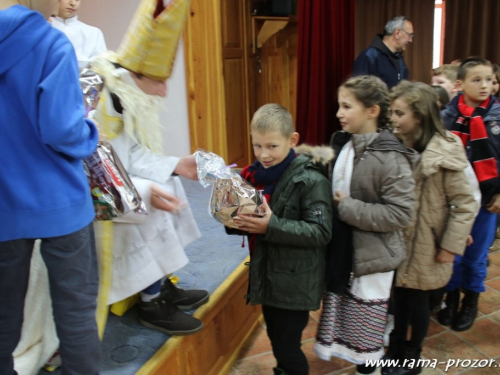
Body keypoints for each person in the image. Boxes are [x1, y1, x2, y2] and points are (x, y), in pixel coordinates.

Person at [91, 0, 209, 336]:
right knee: (151, 203)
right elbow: (98, 175)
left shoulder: (126, 92)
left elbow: (133, 154)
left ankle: (161, 283)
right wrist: (144, 190)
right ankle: (150, 301)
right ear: (135, 72)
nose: (164, 90)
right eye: (158, 80)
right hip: (94, 199)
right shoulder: (103, 101)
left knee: (170, 185)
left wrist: (177, 165)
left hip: (117, 180)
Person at [0, 0, 100, 374]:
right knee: (75, 314)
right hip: (61, 201)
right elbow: (62, 130)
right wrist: (89, 133)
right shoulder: (52, 44)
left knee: (3, 313)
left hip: (4, 202)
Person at [315, 76, 415, 375]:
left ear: (372, 111)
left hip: (372, 257)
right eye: (338, 106)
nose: (339, 113)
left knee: (366, 329)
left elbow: (400, 215)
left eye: (347, 106)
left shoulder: (391, 157)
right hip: (346, 252)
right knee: (344, 315)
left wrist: (346, 207)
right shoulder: (344, 144)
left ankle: (368, 363)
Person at [231, 104, 333, 375]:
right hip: (269, 273)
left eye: (272, 146)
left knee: (287, 346)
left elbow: (320, 231)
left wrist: (270, 226)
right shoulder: (254, 177)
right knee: (278, 340)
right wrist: (233, 220)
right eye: (257, 146)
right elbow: (255, 223)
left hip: (295, 281)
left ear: (293, 140)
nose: (263, 154)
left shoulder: (311, 180)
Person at [382, 81, 477, 375]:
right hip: (399, 241)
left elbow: (465, 203)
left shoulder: (445, 152)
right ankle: (395, 348)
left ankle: (412, 354)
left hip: (428, 243)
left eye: (399, 114)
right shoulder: (396, 145)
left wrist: (451, 245)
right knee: (399, 298)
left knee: (418, 302)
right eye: (392, 113)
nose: (393, 120)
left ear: (420, 116)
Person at [438, 57, 500, 332]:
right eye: (477, 80)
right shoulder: (446, 116)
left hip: (487, 200)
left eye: (489, 80)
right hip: (452, 200)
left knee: (476, 254)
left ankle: (470, 299)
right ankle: (450, 298)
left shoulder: (497, 116)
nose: (485, 85)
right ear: (460, 84)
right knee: (453, 251)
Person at [352, 16, 413, 88]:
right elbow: (358, 92)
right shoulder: (368, 57)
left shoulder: (400, 60)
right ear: (397, 33)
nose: (410, 40)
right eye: (410, 35)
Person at [51, 0, 106, 70]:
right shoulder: (43, 26)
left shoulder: (94, 33)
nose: (73, 3)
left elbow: (100, 67)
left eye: (77, 0)